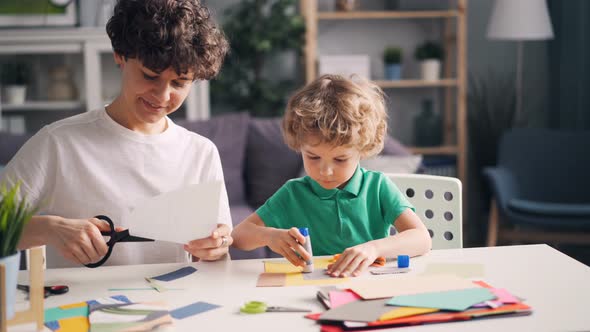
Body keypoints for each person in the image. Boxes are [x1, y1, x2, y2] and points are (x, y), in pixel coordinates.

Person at [0, 0, 232, 268]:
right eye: (149, 76)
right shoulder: (58, 143)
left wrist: (218, 247)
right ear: (120, 55)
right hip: (77, 306)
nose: (162, 96)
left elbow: (219, 253)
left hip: (173, 306)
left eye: (179, 83)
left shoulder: (201, 153)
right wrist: (49, 229)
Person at [232, 74, 432, 277]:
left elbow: (422, 238)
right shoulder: (293, 193)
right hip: (311, 290)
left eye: (340, 160)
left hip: (369, 288)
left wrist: (373, 249)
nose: (325, 171)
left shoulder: (378, 186)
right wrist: (270, 236)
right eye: (313, 157)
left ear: (362, 149)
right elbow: (239, 237)